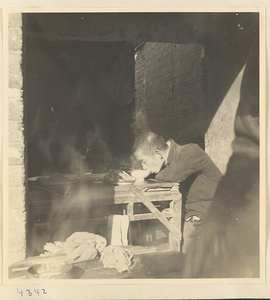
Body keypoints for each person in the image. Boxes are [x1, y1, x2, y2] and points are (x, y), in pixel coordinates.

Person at [132, 131, 223, 254]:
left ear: (158, 153)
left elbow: (170, 175)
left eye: (144, 161)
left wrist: (147, 174)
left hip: (212, 211)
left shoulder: (190, 151)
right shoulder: (171, 160)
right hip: (195, 211)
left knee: (181, 253)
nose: (144, 167)